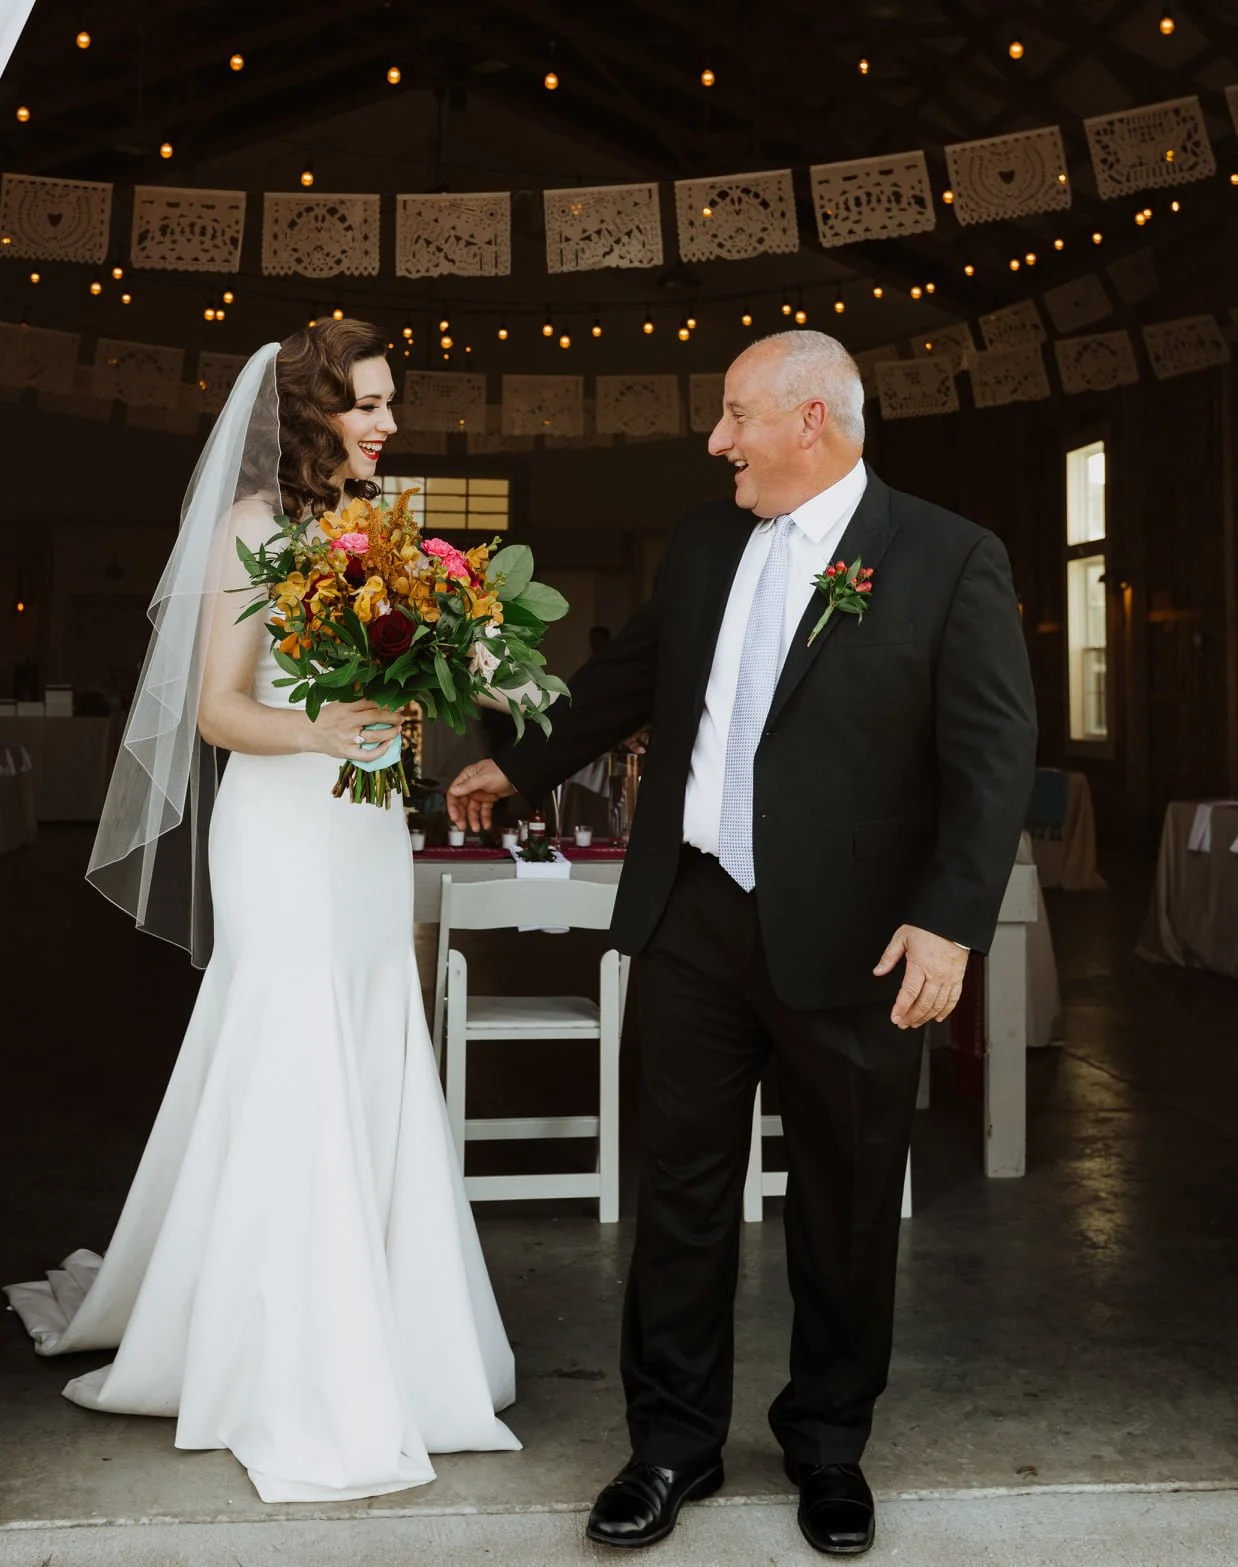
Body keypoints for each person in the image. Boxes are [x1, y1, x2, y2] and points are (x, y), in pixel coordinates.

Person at [447, 330, 1037, 1557]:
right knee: (680, 1195)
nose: (715, 442)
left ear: (809, 418)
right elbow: (630, 678)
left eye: (733, 417)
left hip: (864, 941)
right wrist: (516, 762)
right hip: (697, 918)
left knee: (845, 1199)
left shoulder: (942, 556)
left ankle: (827, 1445)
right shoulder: (707, 539)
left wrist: (948, 922)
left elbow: (990, 762)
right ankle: (669, 1445)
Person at [5, 321, 521, 1503]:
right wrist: (323, 730)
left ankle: (401, 1331)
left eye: (391, 403)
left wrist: (453, 671)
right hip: (282, 833)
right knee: (289, 1051)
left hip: (363, 830)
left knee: (375, 1038)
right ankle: (286, 1349)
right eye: (369, 405)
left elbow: (391, 680)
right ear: (311, 415)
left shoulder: (378, 535)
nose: (389, 424)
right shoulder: (253, 532)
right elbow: (217, 711)